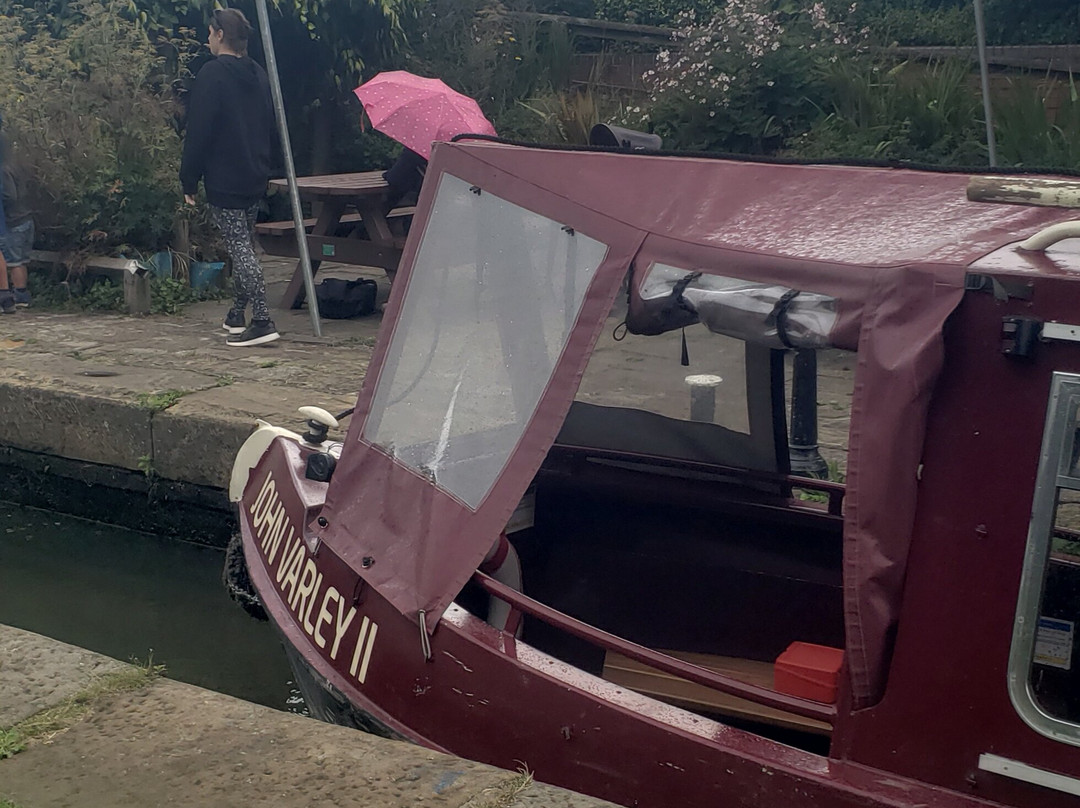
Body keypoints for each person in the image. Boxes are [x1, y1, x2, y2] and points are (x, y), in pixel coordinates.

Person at [180, 8, 278, 347]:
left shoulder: (212, 74)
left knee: (239, 246)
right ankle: (237, 312)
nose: (207, 38)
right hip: (255, 170)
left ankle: (262, 319)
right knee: (244, 243)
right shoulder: (258, 73)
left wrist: (189, 178)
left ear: (220, 35)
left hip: (225, 174)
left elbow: (199, 130)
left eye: (210, 32)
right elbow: (269, 123)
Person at [0, 119, 32, 314]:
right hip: (26, 217)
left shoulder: (3, 170)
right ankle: (22, 293)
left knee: (14, 262)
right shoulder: (17, 165)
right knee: (21, 260)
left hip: (13, 220)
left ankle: (18, 294)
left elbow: (9, 195)